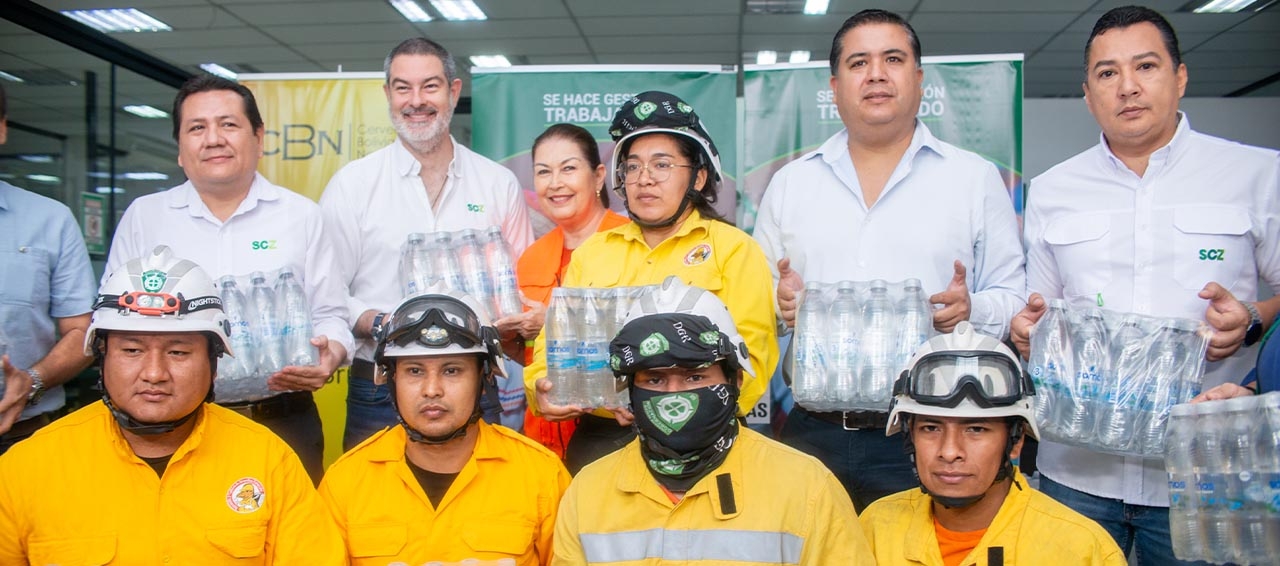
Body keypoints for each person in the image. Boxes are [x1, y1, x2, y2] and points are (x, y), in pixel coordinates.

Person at [1012, 6, 1280, 563]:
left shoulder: (1258, 175)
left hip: (1204, 473)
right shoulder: (1054, 188)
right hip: (1076, 473)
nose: (1128, 87)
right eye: (1108, 73)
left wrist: (1254, 316)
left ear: (1179, 77)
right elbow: (1039, 313)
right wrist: (1026, 330)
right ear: (1088, 94)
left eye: (1146, 66)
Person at [751, 9, 1026, 511]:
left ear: (918, 80)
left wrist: (971, 310)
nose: (876, 73)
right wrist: (779, 302)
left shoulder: (973, 178)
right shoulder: (793, 183)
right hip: (815, 432)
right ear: (835, 87)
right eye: (859, 63)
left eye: (893, 59)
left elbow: (1015, 298)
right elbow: (755, 301)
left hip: (932, 432)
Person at [0, 246, 344, 564]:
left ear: (214, 361)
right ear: (101, 357)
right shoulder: (27, 469)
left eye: (178, 352)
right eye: (132, 351)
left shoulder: (268, 459)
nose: (154, 373)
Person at [104, 74, 352, 484]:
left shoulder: (300, 215)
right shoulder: (145, 216)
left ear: (258, 137)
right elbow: (113, 319)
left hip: (281, 420)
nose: (213, 138)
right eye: (197, 128)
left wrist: (331, 355)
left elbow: (331, 314)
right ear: (180, 149)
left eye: (228, 124)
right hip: (170, 426)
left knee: (291, 541)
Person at [524, 91, 778, 474]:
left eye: (662, 165)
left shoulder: (734, 250)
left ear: (699, 175)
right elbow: (553, 345)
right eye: (633, 166)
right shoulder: (594, 252)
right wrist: (541, 387)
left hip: (704, 441)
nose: (644, 179)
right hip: (602, 441)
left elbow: (753, 360)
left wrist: (676, 410)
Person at [552, 277, 873, 563]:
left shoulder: (807, 486)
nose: (674, 395)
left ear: (735, 382)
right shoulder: (588, 492)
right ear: (629, 390)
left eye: (694, 377)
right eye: (655, 380)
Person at [322, 37, 534, 450]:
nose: (416, 100)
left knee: (483, 507)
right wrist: (383, 323)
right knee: (372, 510)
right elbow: (327, 295)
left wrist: (512, 321)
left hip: (477, 383)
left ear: (453, 91)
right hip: (380, 388)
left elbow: (522, 289)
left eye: (430, 86)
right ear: (388, 95)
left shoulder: (497, 184)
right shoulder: (353, 185)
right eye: (403, 87)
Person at [320, 288, 569, 564]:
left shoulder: (541, 476)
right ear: (391, 379)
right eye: (414, 371)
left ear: (484, 378)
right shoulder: (346, 481)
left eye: (452, 370)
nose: (432, 390)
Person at [860, 321, 1126, 565]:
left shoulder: (1081, 550)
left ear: (1016, 440)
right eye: (931, 427)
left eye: (976, 429)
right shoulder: (876, 529)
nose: (950, 452)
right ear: (909, 436)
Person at [505, 123, 629, 458]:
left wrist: (557, 325)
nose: (555, 183)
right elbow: (530, 356)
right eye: (543, 172)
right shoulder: (531, 258)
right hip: (543, 439)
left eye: (569, 169)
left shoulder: (633, 243)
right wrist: (505, 337)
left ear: (599, 176)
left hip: (613, 438)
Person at [0, 82, 97, 454]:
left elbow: (83, 333)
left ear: (3, 128)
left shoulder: (50, 220)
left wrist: (32, 380)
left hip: (23, 436)